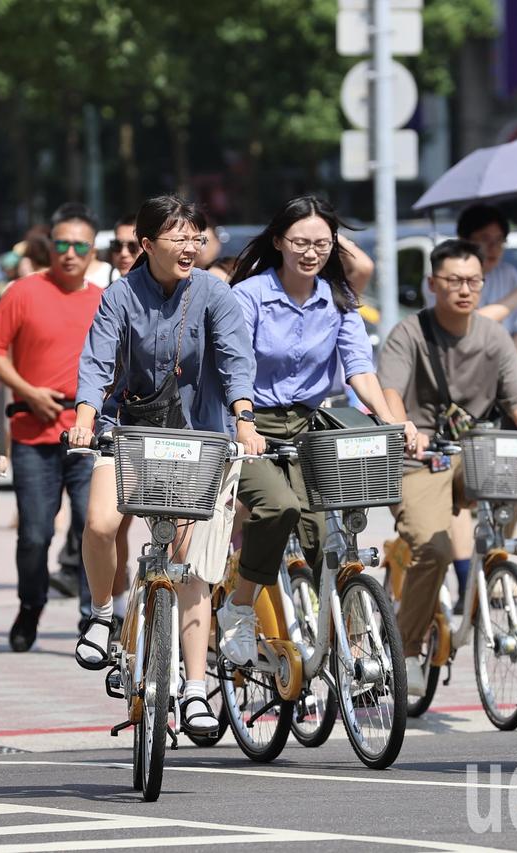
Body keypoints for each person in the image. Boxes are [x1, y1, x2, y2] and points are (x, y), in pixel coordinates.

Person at [69, 194, 265, 736]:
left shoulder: (214, 292)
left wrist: (243, 420)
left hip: (195, 437)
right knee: (101, 523)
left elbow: (234, 360)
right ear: (147, 244)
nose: (189, 246)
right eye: (177, 237)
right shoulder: (119, 296)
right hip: (127, 431)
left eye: (196, 237)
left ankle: (197, 690)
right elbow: (97, 361)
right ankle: (103, 615)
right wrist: (85, 418)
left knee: (190, 564)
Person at [215, 196, 417, 663]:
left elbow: (359, 368)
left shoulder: (340, 297)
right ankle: (239, 607)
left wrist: (391, 419)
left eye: (322, 243)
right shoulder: (248, 296)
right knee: (278, 507)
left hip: (308, 422)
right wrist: (244, 423)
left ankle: (344, 634)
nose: (311, 252)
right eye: (300, 242)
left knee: (326, 529)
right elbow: (234, 366)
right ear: (279, 242)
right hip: (248, 421)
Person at [378, 239, 517, 696]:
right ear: (433, 284)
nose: (465, 289)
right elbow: (389, 394)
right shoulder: (408, 333)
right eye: (454, 281)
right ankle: (408, 650)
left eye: (473, 281)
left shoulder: (493, 338)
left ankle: (491, 567)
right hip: (420, 459)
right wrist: (404, 427)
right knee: (432, 548)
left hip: (475, 453)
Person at [0, 202, 104, 652]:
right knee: (35, 533)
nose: (70, 253)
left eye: (80, 245)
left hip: (92, 437)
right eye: (62, 244)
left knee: (95, 528)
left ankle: (95, 620)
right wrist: (28, 391)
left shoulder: (106, 300)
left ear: (93, 251)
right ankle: (30, 604)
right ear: (50, 246)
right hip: (34, 433)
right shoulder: (23, 292)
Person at [452, 204, 517, 352]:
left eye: (499, 240)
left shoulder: (507, 273)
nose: (493, 247)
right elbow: (469, 324)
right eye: (485, 239)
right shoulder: (446, 277)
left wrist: (503, 363)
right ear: (464, 240)